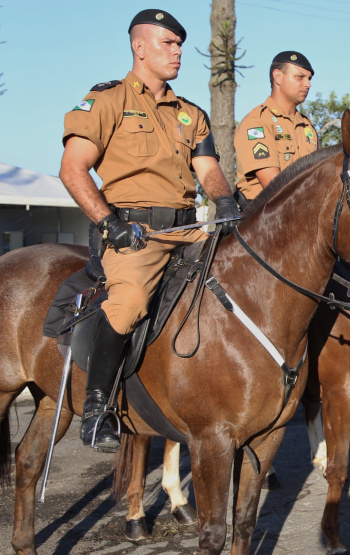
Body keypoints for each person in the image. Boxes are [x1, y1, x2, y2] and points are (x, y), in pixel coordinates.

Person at [60, 9, 239, 452]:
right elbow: (72, 169)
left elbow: (208, 168)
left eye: (180, 44)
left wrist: (225, 200)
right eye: (168, 43)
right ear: (140, 47)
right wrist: (109, 224)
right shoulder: (106, 101)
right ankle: (97, 408)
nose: (178, 52)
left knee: (247, 273)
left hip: (188, 229)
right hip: (133, 233)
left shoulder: (190, 114)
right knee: (130, 301)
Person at [234, 50, 319, 206]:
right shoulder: (257, 122)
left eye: (309, 79)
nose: (308, 84)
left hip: (303, 214)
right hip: (264, 218)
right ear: (278, 76)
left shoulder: (307, 126)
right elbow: (274, 185)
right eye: (300, 77)